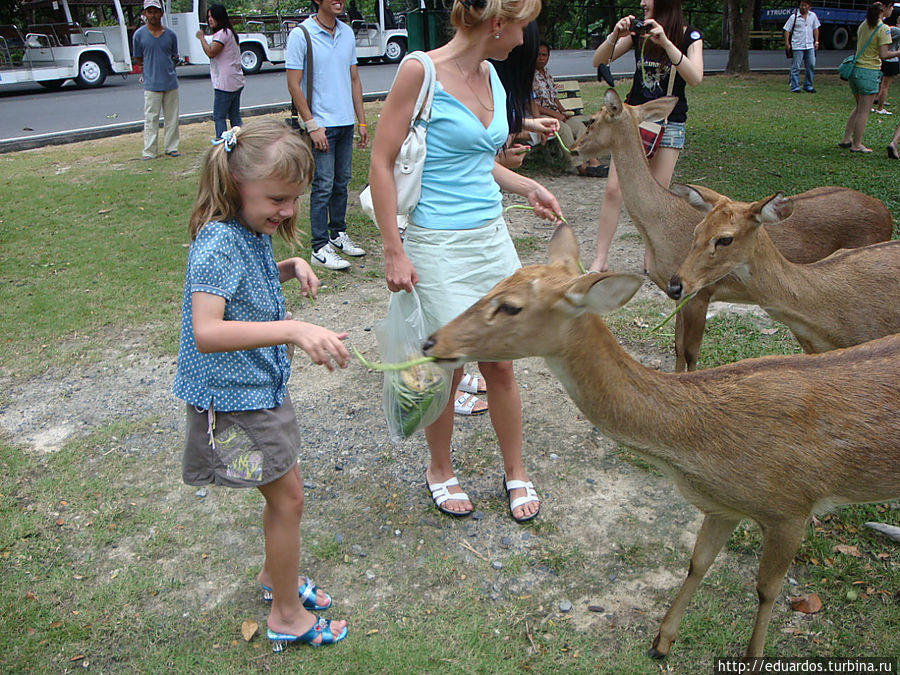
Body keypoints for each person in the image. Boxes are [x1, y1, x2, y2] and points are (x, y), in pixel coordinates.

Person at [369, 0, 563, 523]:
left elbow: (479, 163)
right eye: (522, 26)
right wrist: (394, 249)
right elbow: (381, 161)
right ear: (497, 24)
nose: (525, 39)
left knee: (500, 363)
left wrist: (525, 186)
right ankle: (439, 468)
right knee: (449, 367)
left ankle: (515, 471)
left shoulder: (494, 80)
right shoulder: (420, 71)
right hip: (438, 246)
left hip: (491, 241)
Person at [172, 119, 350, 650]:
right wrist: (295, 329)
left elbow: (239, 284)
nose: (289, 211)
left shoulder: (244, 232)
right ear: (235, 184)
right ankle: (287, 615)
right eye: (278, 198)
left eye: (295, 199)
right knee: (288, 498)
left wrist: (288, 267)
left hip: (256, 391)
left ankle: (277, 577)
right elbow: (208, 328)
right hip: (234, 402)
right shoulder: (217, 242)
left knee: (285, 495)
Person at [588, 0, 703, 273]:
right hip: (632, 123)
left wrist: (665, 42)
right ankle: (600, 260)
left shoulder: (690, 36)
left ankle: (651, 260)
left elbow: (696, 77)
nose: (641, 2)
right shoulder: (637, 34)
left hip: (669, 122)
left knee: (655, 198)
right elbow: (599, 59)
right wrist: (615, 35)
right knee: (614, 190)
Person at [286, 0, 369, 272]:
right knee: (323, 185)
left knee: (341, 182)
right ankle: (319, 246)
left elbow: (354, 79)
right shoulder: (302, 35)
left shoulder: (346, 33)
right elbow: (293, 84)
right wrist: (311, 124)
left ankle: (337, 233)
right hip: (321, 124)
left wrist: (362, 122)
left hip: (345, 122)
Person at [532, 40, 606, 176]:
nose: (541, 58)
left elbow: (554, 98)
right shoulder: (529, 75)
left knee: (579, 126)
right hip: (541, 116)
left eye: (544, 55)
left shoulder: (547, 74)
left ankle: (593, 161)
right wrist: (556, 116)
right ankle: (580, 166)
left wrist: (562, 112)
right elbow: (533, 105)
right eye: (538, 55)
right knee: (564, 129)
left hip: (555, 113)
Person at [839, 1, 900, 153]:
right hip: (869, 71)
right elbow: (884, 54)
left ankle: (846, 139)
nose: (892, 10)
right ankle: (857, 144)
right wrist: (898, 53)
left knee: (859, 107)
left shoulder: (864, 24)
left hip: (855, 70)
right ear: (884, 9)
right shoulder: (884, 29)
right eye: (891, 7)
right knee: (864, 111)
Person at [132, 0, 180, 159]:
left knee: (172, 118)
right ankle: (150, 151)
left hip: (170, 82)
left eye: (156, 11)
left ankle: (171, 147)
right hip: (151, 84)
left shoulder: (171, 35)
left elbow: (174, 56)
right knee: (151, 118)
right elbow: (139, 59)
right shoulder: (139, 35)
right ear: (145, 13)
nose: (153, 15)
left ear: (161, 13)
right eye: (149, 11)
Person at [195, 4, 244, 139]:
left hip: (225, 83)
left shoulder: (223, 33)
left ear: (220, 17)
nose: (210, 19)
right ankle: (243, 140)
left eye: (213, 16)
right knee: (234, 116)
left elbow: (211, 52)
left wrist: (201, 38)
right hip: (235, 80)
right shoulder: (229, 32)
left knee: (219, 116)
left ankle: (222, 144)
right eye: (208, 17)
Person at [783, 0, 820, 93]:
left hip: (809, 45)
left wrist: (816, 41)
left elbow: (816, 29)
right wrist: (787, 43)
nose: (802, 7)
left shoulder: (813, 16)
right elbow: (787, 30)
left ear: (809, 7)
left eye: (805, 5)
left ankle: (808, 85)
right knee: (796, 66)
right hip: (797, 45)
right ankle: (795, 86)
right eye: (801, 5)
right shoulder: (794, 17)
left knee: (811, 65)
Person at [874, 8, 900, 114]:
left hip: (882, 58)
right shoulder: (896, 30)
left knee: (880, 83)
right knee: (885, 85)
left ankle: (876, 100)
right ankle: (880, 108)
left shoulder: (884, 28)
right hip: (892, 59)